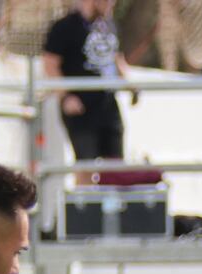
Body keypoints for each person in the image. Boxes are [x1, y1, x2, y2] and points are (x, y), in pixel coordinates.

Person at [41, 0, 134, 179]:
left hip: (108, 105)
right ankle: (83, 205)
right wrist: (65, 97)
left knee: (115, 166)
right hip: (80, 107)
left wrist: (130, 85)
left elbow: (116, 56)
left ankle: (110, 205)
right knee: (86, 165)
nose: (111, 4)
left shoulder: (108, 25)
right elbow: (50, 65)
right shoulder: (65, 27)